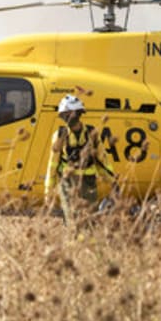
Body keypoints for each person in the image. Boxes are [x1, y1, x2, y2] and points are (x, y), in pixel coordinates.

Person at [45, 95, 116, 224]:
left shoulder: (91, 133)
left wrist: (112, 181)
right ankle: (73, 242)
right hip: (67, 183)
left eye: (69, 114)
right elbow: (53, 163)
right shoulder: (60, 135)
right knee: (72, 221)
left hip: (88, 183)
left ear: (78, 114)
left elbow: (102, 160)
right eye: (64, 115)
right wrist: (48, 190)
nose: (67, 118)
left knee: (89, 220)